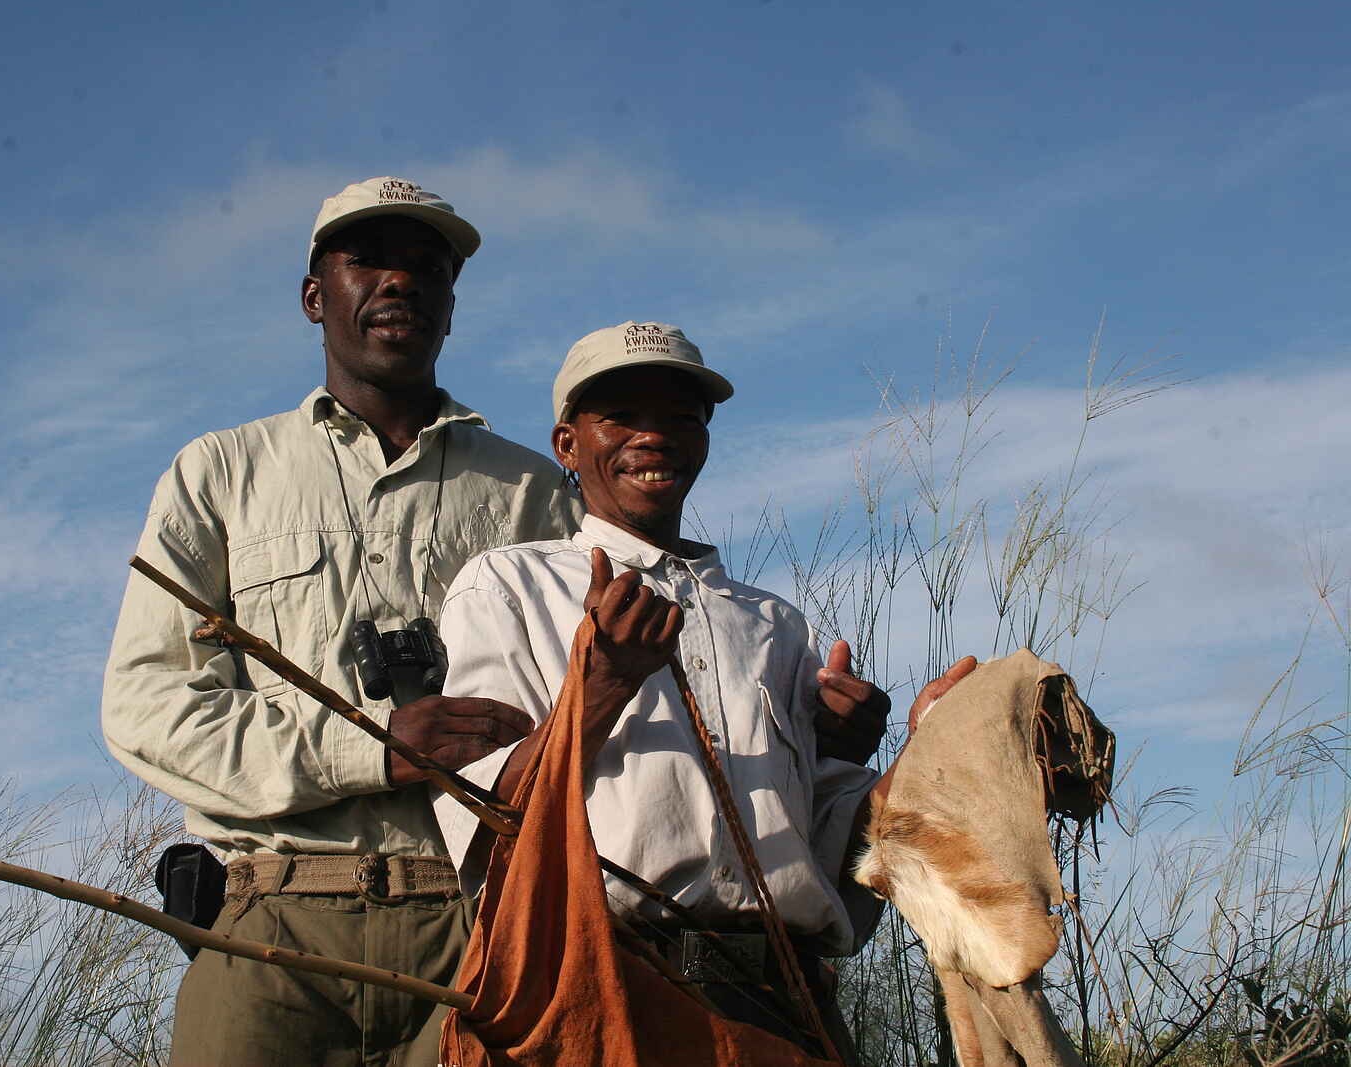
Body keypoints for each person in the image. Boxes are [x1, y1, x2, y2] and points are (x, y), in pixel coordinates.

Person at [101, 177, 583, 1067]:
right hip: (271, 923)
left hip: (481, 924)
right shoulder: (220, 473)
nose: (399, 281)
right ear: (314, 298)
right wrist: (371, 748)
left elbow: (589, 707)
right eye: (368, 261)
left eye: (427, 267)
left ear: (451, 304)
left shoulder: (536, 492)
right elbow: (147, 705)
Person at [431, 321, 975, 1054]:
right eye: (622, 415)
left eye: (681, 417)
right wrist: (602, 686)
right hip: (611, 993)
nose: (654, 436)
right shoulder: (509, 586)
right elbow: (486, 818)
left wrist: (936, 745)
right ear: (567, 445)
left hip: (786, 1005)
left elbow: (827, 849)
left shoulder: (773, 623)